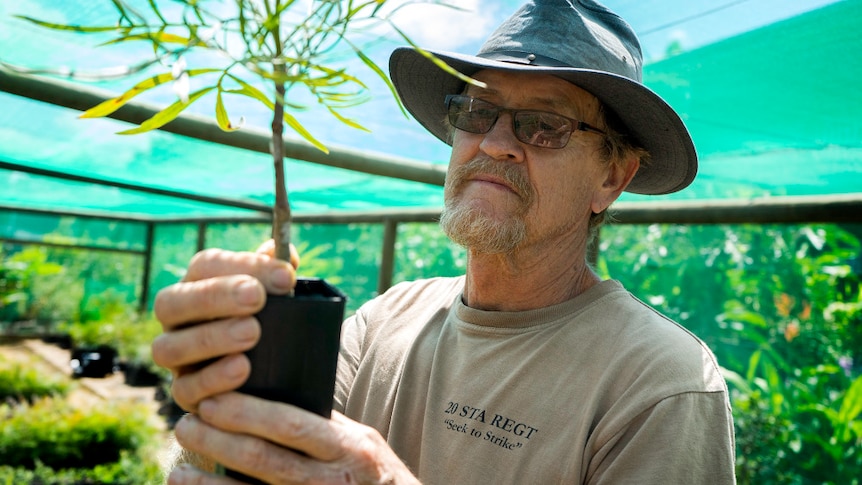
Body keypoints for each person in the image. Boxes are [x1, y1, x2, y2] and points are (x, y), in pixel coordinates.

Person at [152, 0, 736, 483]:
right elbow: (274, 456)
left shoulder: (660, 383)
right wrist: (229, 390)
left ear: (612, 178)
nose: (495, 143)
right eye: (477, 112)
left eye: (545, 125)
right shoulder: (385, 320)